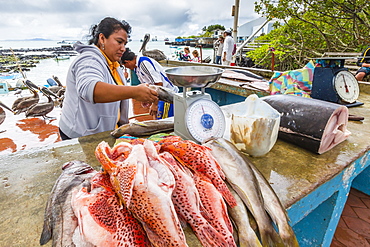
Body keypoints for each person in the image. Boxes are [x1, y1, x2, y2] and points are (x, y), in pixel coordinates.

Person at [59, 17, 158, 140]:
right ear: (102, 39)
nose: (123, 48)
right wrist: (135, 92)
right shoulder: (89, 59)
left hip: (106, 132)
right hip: (80, 136)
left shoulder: (114, 65)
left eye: (125, 44)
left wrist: (140, 93)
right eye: (119, 41)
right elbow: (90, 89)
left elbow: (118, 93)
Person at [121, 48, 179, 119]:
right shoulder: (137, 67)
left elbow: (158, 84)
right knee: (157, 118)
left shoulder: (144, 63)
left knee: (164, 121)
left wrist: (155, 104)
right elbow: (148, 84)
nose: (127, 68)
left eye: (125, 66)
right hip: (160, 97)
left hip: (166, 96)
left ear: (127, 62)